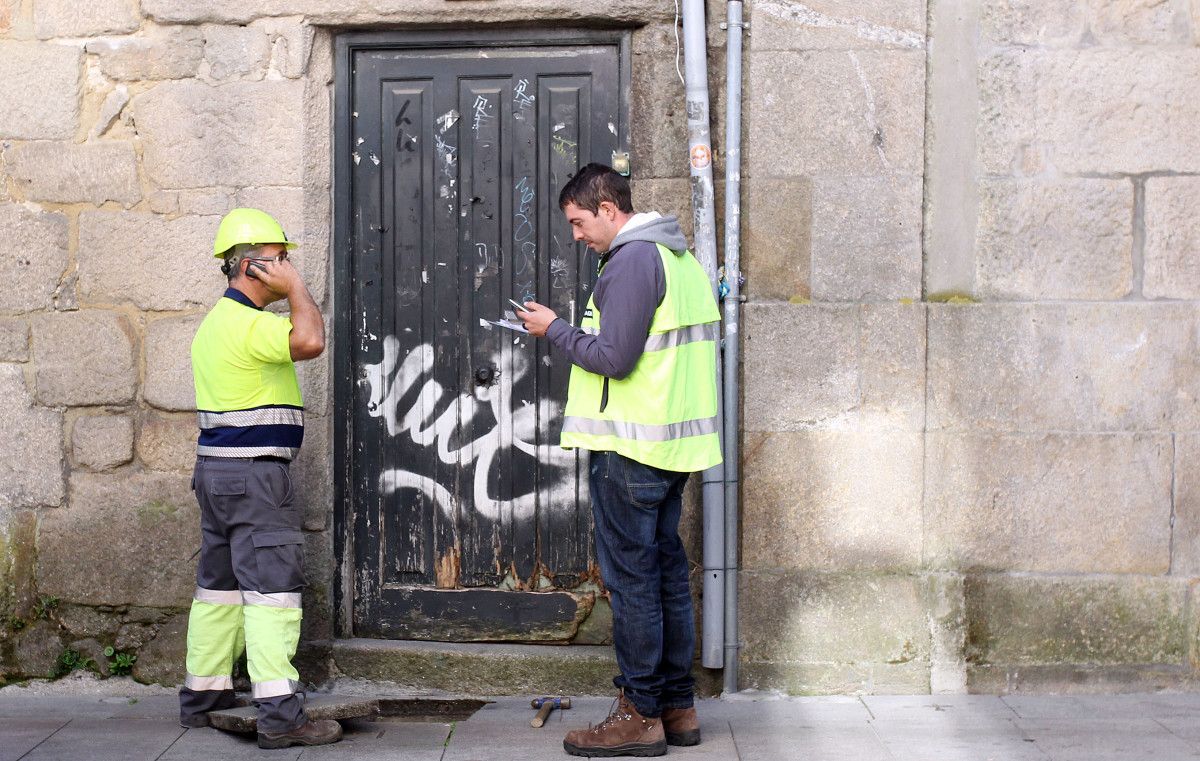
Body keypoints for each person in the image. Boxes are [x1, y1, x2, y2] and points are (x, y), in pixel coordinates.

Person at [520, 164, 723, 758]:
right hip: (667, 446)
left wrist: (553, 329)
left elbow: (614, 357)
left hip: (630, 451)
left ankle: (638, 715)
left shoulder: (634, 261)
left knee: (634, 584)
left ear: (608, 208)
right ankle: (676, 708)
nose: (578, 237)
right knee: (663, 579)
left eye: (580, 223)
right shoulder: (678, 259)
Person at [178, 208, 341, 750]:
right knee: (271, 593)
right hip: (254, 478)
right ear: (251, 265)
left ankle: (204, 697)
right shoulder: (251, 325)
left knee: (218, 590)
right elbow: (312, 340)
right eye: (280, 258)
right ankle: (281, 717)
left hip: (215, 475)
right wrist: (298, 288)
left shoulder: (215, 325)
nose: (288, 265)